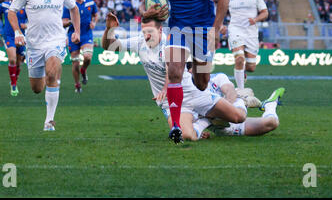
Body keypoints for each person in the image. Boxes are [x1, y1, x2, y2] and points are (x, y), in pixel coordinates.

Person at [102, 14, 246, 143]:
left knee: (239, 117)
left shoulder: (169, 44)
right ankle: (206, 121)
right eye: (144, 32)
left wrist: (165, 88)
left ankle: (239, 97)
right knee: (187, 136)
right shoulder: (140, 42)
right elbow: (110, 46)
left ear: (160, 30)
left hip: (192, 93)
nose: (146, 36)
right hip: (168, 102)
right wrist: (109, 29)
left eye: (150, 32)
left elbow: (170, 71)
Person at [142, 0, 229, 143]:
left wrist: (215, 30)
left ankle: (216, 84)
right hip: (178, 30)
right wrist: (149, 12)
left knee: (201, 83)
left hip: (201, 31)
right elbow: (146, 5)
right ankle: (176, 126)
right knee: (174, 72)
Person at [8, 0, 80, 131]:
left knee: (51, 73)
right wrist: (17, 31)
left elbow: (74, 9)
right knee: (37, 88)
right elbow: (12, 11)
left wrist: (76, 31)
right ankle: (52, 82)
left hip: (55, 40)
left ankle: (49, 121)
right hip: (33, 45)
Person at [186, 62, 285, 137]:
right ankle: (263, 103)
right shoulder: (185, 91)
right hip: (220, 127)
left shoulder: (217, 77)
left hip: (229, 112)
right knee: (271, 123)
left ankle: (264, 104)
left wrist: (224, 111)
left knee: (271, 122)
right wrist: (200, 132)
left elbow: (229, 90)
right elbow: (186, 120)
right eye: (189, 67)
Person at [223, 0, 268, 89]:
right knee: (239, 58)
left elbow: (265, 12)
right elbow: (221, 12)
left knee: (251, 67)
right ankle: (241, 91)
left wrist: (256, 19)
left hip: (251, 33)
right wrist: (221, 26)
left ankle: (243, 72)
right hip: (235, 30)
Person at [62, 0, 99, 93]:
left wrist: (94, 22)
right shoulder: (69, 5)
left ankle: (83, 71)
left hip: (86, 35)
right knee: (75, 63)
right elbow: (63, 22)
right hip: (73, 36)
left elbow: (96, 14)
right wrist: (71, 21)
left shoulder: (90, 3)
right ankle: (77, 85)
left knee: (87, 57)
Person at [0, 0, 27, 96]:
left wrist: (26, 26)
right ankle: (13, 85)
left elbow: (33, 20)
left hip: (21, 37)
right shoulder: (4, 5)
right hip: (9, 37)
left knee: (18, 63)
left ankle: (14, 80)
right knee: (12, 60)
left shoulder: (25, 7)